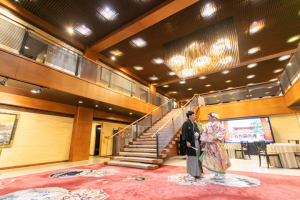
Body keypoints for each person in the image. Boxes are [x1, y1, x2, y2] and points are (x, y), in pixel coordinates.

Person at [200, 112, 231, 179]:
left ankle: (222, 174)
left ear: (214, 117)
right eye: (208, 117)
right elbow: (205, 133)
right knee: (212, 158)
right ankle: (216, 173)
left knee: (219, 157)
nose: (208, 118)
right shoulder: (208, 125)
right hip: (209, 144)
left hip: (216, 144)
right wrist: (203, 139)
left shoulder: (218, 124)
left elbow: (223, 131)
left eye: (210, 117)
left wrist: (216, 136)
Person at [182, 111, 203, 179]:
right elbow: (184, 133)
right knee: (191, 158)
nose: (194, 116)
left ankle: (198, 172)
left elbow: (197, 132)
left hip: (196, 142)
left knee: (197, 157)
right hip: (190, 143)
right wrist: (187, 142)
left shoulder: (194, 123)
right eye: (193, 115)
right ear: (189, 116)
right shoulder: (186, 123)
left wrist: (197, 135)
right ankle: (191, 173)